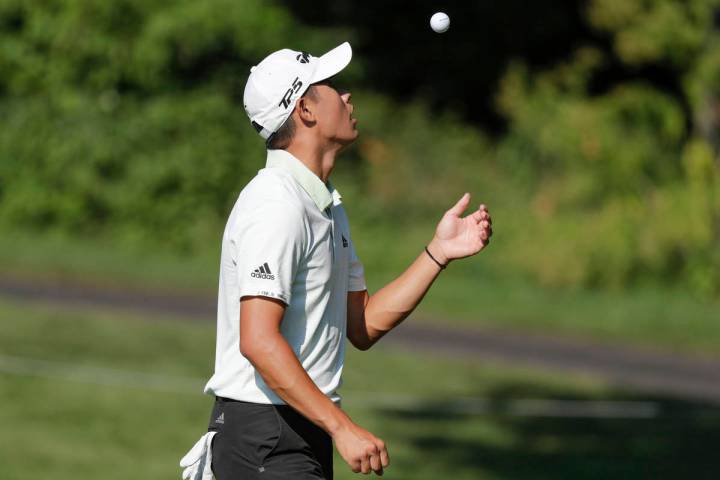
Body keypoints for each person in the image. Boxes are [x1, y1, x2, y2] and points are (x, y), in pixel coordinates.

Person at [201, 41, 493, 480]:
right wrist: (343, 428)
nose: (347, 96)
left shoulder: (326, 205)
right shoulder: (275, 203)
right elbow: (258, 341)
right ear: (306, 110)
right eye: (331, 87)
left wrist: (438, 253)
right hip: (264, 435)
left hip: (299, 431)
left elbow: (362, 324)